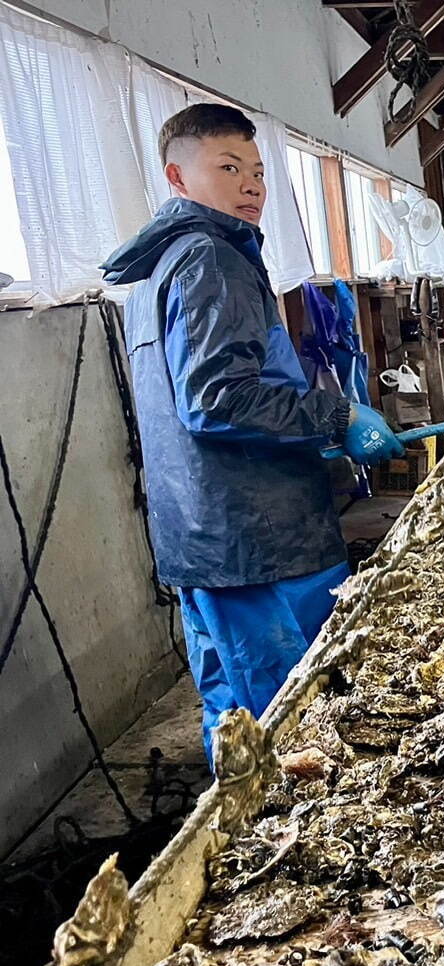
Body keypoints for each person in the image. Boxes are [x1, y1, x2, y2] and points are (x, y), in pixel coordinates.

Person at [101, 103, 403, 763]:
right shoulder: (214, 261)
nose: (251, 185)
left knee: (232, 716)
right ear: (177, 179)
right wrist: (339, 416)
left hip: (205, 539)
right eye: (228, 168)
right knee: (294, 723)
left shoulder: (159, 267)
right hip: (262, 540)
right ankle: (297, 853)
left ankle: (234, 849)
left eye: (259, 171)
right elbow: (216, 400)